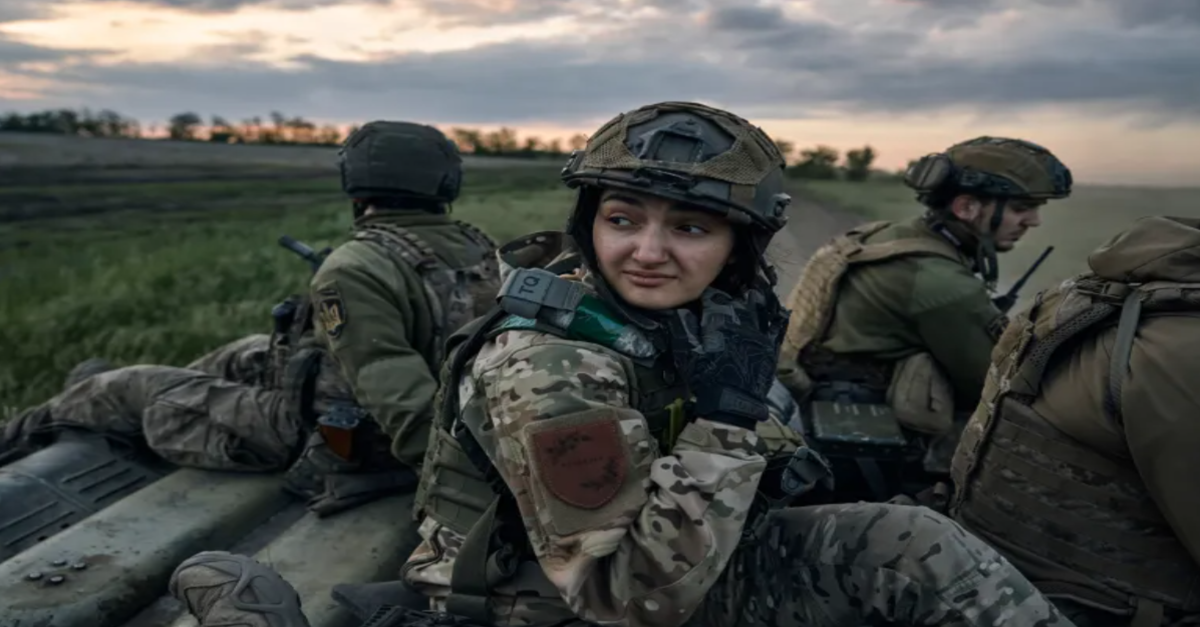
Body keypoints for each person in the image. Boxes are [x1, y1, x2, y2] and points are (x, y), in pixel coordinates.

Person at [169, 101, 1077, 627]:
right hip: (547, 602)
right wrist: (730, 426)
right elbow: (623, 598)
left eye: (690, 227)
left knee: (911, 535)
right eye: (621, 219)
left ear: (739, 244)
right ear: (589, 224)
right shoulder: (549, 367)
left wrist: (762, 434)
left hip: (670, 549)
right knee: (909, 549)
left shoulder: (695, 316)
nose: (648, 250)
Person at [0, 120, 501, 518]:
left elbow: (393, 387)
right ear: (446, 182)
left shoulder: (356, 265)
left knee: (118, 387)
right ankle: (153, 394)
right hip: (375, 407)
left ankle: (48, 423)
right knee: (247, 350)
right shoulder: (482, 249)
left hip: (328, 435)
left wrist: (462, 494)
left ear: (356, 181)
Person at [775, 135, 1073, 506]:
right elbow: (993, 385)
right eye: (1021, 207)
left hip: (812, 401)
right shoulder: (941, 282)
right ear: (966, 207)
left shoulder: (884, 235)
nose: (1033, 220)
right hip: (862, 442)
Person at [950, 215, 1200, 627]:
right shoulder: (1181, 347)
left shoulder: (1075, 297)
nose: (1034, 219)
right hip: (1088, 607)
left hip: (994, 571)